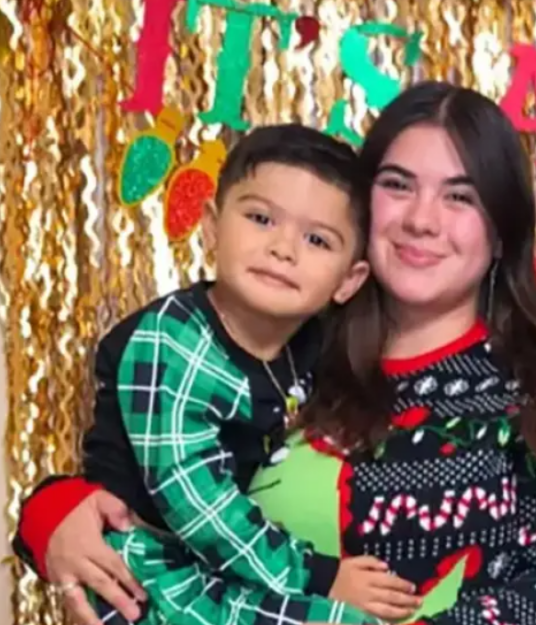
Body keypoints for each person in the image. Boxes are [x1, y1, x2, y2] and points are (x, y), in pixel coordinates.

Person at [13, 82, 536, 625]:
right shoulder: (290, 341)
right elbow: (162, 468)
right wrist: (51, 517)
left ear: (501, 227)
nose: (422, 220)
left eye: (460, 196)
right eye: (398, 185)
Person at [50, 123, 425, 625]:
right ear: (211, 226)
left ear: (349, 281)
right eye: (261, 218)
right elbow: (197, 505)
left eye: (317, 239)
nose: (283, 248)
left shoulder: (312, 346)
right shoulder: (172, 341)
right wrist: (319, 577)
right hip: (142, 572)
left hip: (223, 569)